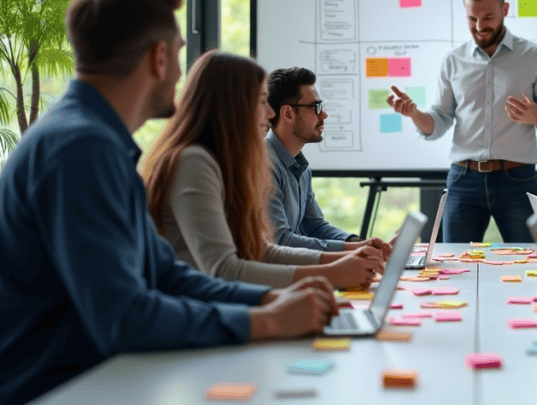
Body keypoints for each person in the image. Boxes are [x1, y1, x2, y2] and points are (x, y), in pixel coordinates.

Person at [0, 0, 338, 405]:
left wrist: (265, 303)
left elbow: (164, 273)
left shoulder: (93, 140)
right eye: (180, 51)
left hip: (90, 372)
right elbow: (124, 317)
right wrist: (264, 322)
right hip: (55, 390)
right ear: (159, 56)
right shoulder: (81, 150)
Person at [143, 50, 385, 290]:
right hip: (196, 312)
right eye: (261, 102)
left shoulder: (222, 163)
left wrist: (352, 258)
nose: (270, 114)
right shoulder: (193, 162)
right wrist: (331, 273)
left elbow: (260, 252)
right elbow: (224, 270)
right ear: (232, 105)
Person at [386, 0, 537, 243]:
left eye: (488, 17)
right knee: (453, 266)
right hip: (463, 180)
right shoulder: (452, 60)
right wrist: (414, 114)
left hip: (517, 180)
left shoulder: (536, 56)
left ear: (505, 10)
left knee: (532, 263)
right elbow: (439, 121)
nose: (480, 26)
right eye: (472, 19)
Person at [266, 66, 392, 258]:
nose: (323, 115)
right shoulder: (264, 164)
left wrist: (358, 243)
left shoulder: (300, 167)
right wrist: (357, 250)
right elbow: (281, 241)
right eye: (315, 107)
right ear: (288, 114)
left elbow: (315, 227)